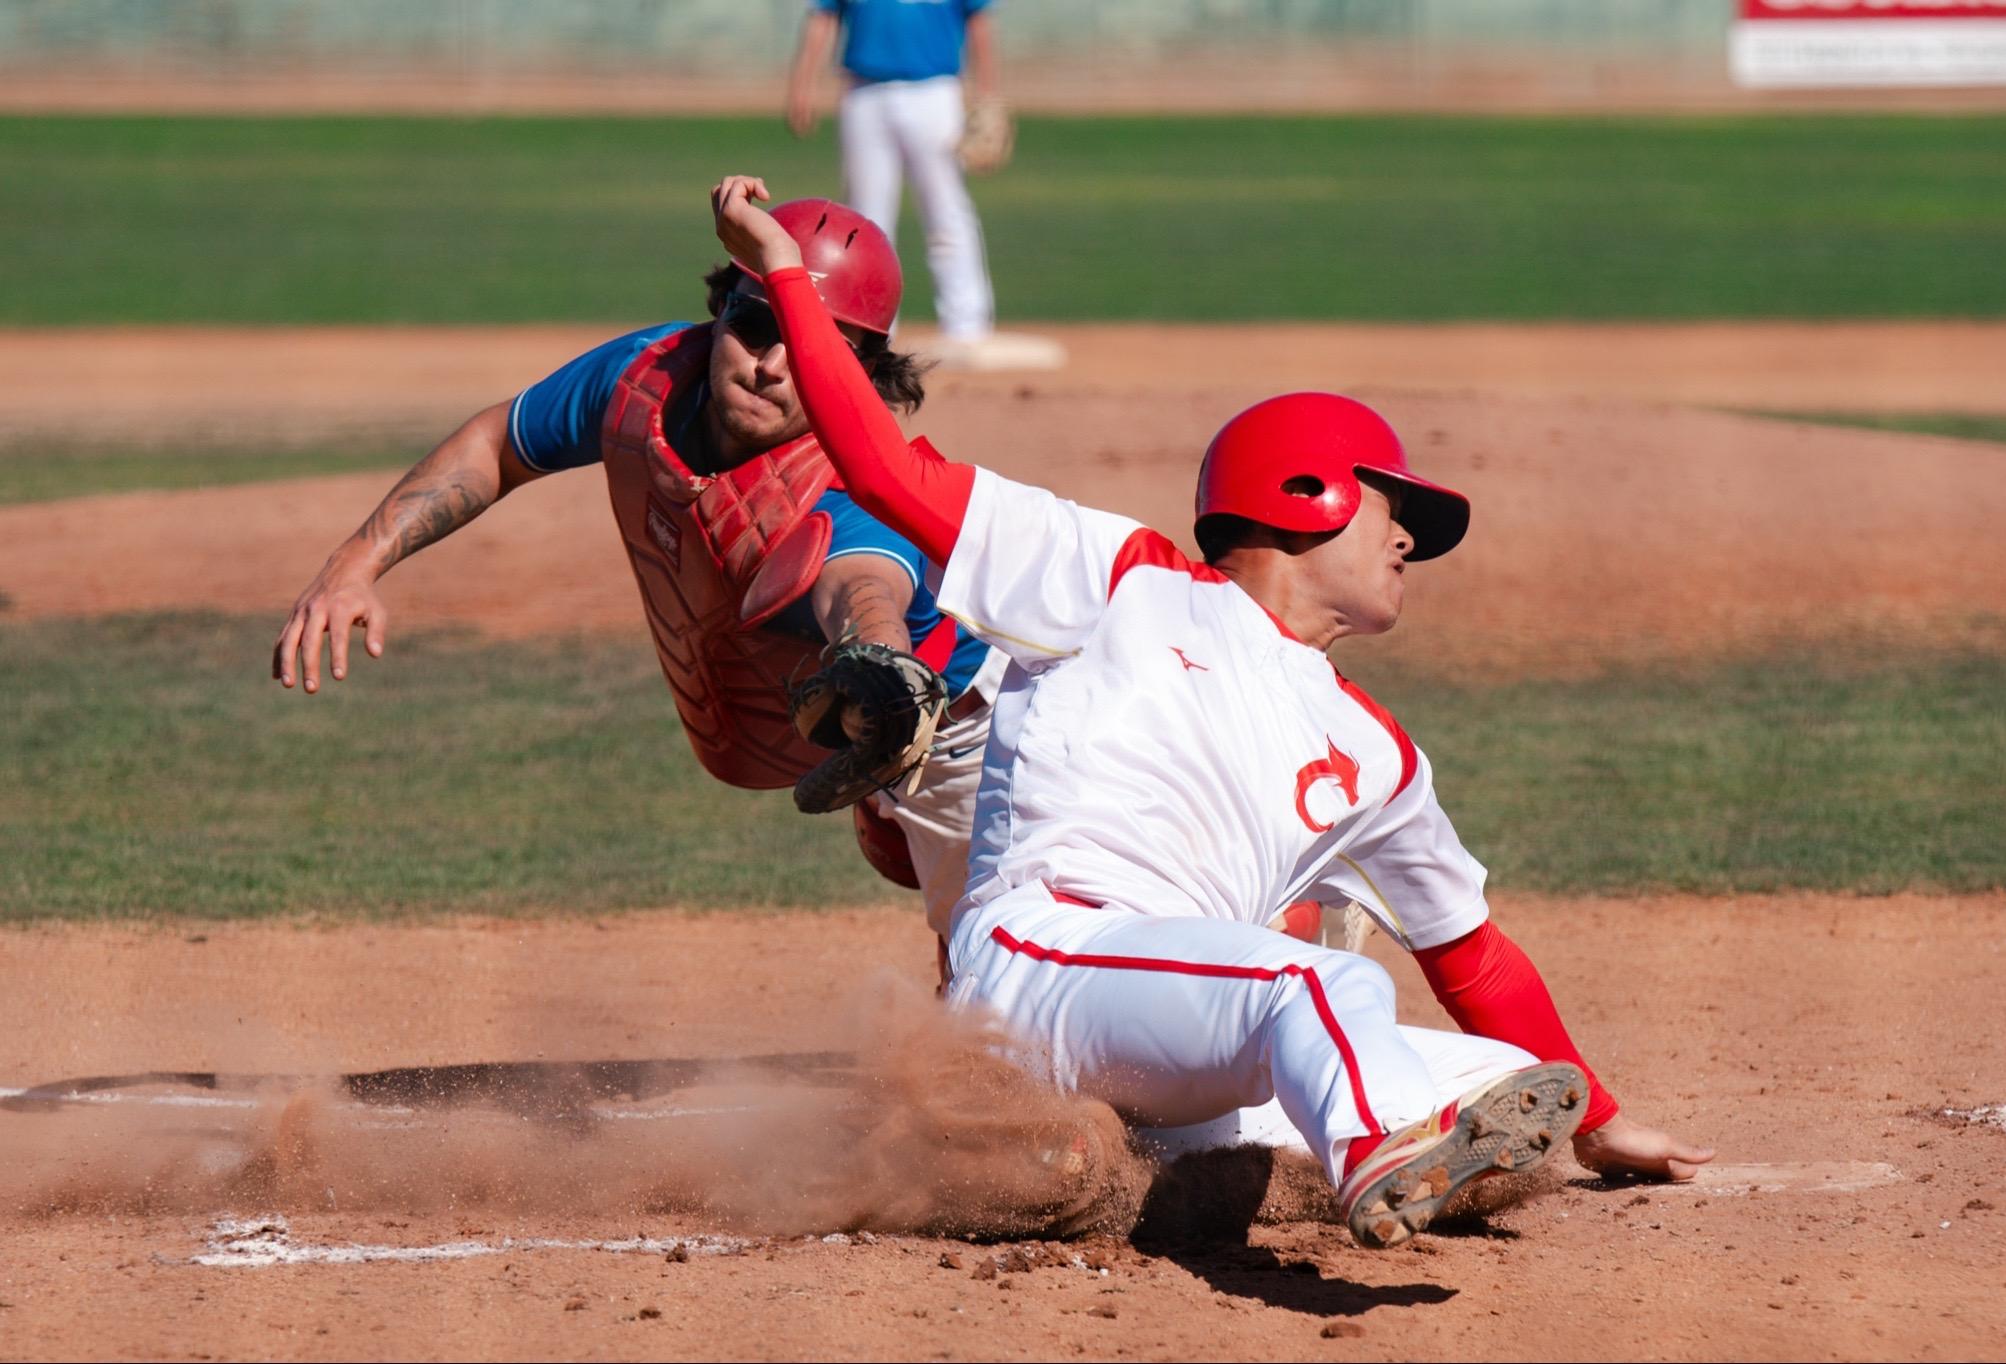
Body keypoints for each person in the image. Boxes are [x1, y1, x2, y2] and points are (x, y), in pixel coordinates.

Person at [712, 174, 1717, 1248]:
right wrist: (785, 272)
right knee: (1323, 987)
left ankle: (1094, 1164)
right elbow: (882, 466)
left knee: (1503, 1083)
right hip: (1043, 970)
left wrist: (1599, 1123)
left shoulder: (1377, 752)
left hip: (1177, 1031)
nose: (1406, 543)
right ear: (1307, 492)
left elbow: (1471, 955)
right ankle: (1356, 1153)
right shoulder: (1117, 578)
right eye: (1393, 510)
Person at [270, 198, 1001, 929]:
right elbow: (499, 445)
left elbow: (864, 591)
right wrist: (354, 563)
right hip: (855, 731)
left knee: (996, 971)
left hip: (967, 733)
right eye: (755, 326)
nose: (771, 366)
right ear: (719, 310)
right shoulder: (648, 379)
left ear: (860, 372)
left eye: (815, 349)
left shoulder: (855, 487)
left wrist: (878, 672)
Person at [785, 0, 1063, 372]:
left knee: (945, 209)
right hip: (863, 92)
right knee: (864, 220)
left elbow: (979, 20)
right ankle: (868, 329)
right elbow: (823, 15)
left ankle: (966, 325)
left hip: (934, 92)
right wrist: (802, 84)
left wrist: (988, 94)